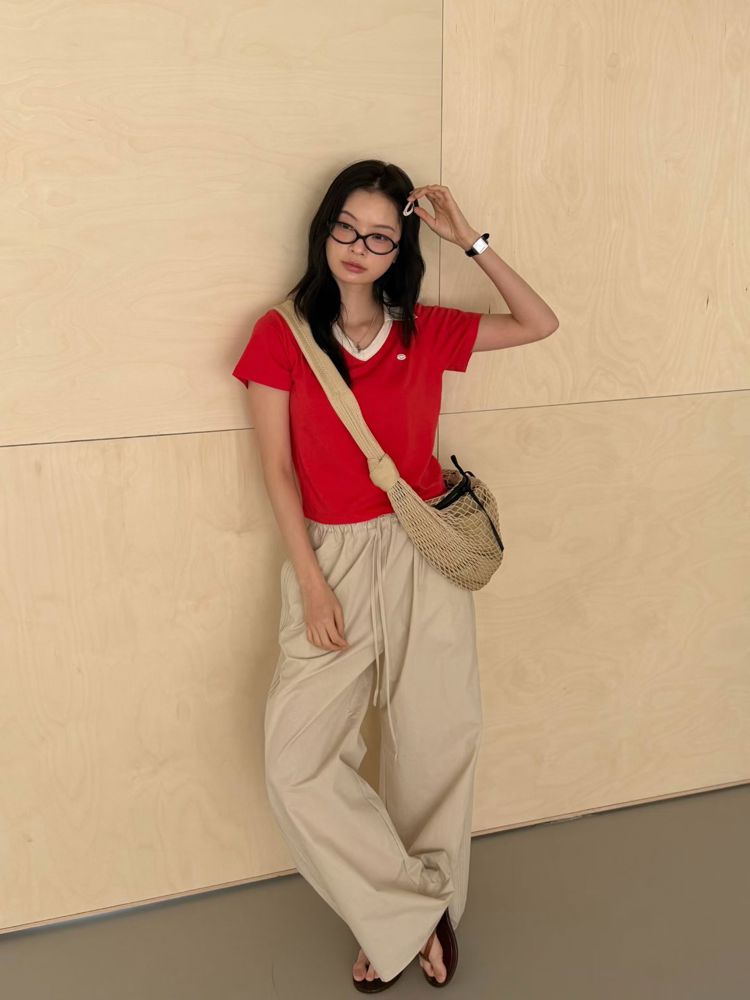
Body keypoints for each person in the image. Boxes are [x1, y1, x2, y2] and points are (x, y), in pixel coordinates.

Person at [232, 159, 558, 991]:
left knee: (437, 739)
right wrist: (311, 581)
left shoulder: (424, 330)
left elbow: (539, 322)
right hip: (332, 555)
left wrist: (469, 239)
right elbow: (277, 470)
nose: (359, 246)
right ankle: (407, 912)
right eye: (347, 227)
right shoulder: (280, 335)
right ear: (325, 227)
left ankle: (415, 918)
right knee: (296, 761)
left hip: (423, 547)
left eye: (381, 236)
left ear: (400, 248)